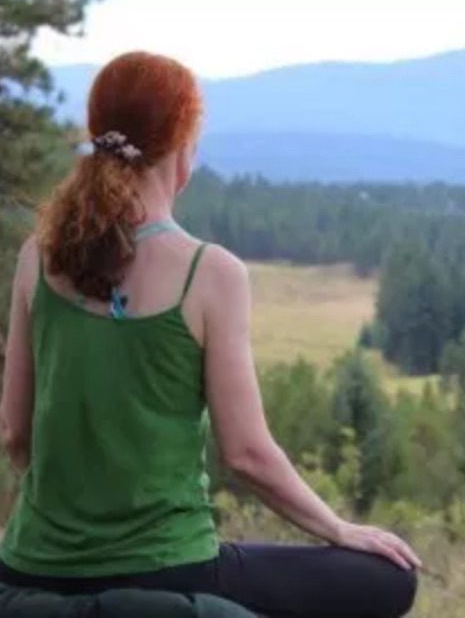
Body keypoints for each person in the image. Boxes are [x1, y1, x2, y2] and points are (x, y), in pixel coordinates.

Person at [0, 51, 420, 617]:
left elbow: (14, 435)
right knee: (388, 580)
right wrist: (338, 528)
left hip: (31, 564)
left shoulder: (37, 257)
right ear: (183, 147)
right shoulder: (210, 272)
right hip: (168, 568)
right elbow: (246, 455)